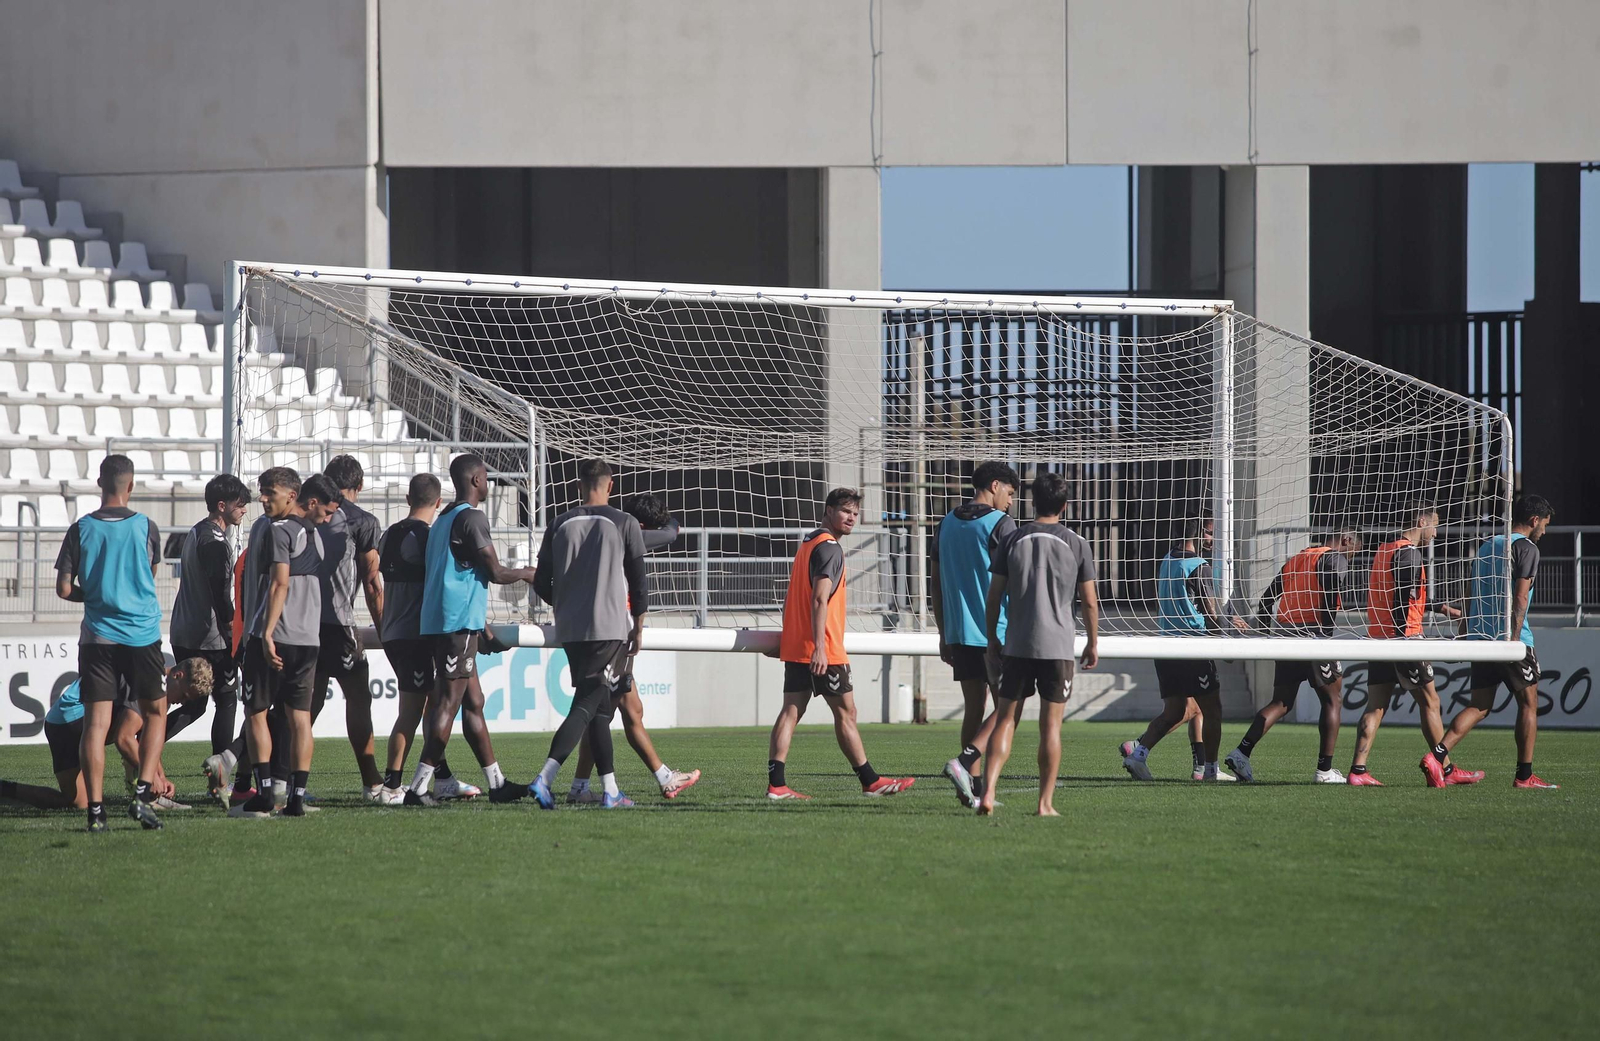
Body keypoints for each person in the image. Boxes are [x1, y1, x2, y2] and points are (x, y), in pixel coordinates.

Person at [765, 487, 914, 801]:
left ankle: (777, 785)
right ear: (828, 510)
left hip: (799, 647)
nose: (852, 518)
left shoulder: (809, 542)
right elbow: (819, 599)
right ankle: (870, 780)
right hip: (824, 649)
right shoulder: (830, 547)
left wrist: (791, 638)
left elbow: (795, 598)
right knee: (846, 712)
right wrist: (819, 646)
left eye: (856, 513)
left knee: (791, 710)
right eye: (846, 511)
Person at [406, 454, 537, 806]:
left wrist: (482, 624)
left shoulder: (443, 517)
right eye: (486, 477)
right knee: (447, 705)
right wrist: (527, 572)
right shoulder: (472, 517)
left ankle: (497, 784)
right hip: (455, 624)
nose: (489, 483)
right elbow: (494, 571)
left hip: (444, 621)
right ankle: (417, 789)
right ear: (477, 480)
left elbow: (455, 573)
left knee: (473, 702)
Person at [54, 454, 168, 832]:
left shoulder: (80, 528)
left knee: (96, 725)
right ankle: (141, 795)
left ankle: (97, 812)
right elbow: (149, 577)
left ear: (100, 483)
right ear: (131, 486)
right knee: (155, 713)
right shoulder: (146, 527)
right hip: (141, 635)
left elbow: (65, 589)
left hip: (98, 637)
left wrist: (97, 594)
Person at [527, 459, 649, 809]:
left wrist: (564, 601)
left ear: (579, 486)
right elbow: (639, 581)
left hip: (571, 629)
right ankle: (545, 777)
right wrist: (638, 625)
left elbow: (540, 582)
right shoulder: (624, 522)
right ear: (610, 486)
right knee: (587, 704)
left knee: (598, 707)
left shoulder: (559, 523)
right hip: (609, 629)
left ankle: (609, 790)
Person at [976, 471, 1098, 816]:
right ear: (1064, 505)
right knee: (1051, 726)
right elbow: (1089, 601)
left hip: (1016, 643)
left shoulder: (1013, 539)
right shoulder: (1076, 543)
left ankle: (988, 793)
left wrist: (991, 639)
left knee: (1005, 721)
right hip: (1057, 647)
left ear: (1032, 502)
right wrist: (1092, 642)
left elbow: (994, 595)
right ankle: (1045, 804)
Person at [567, 493, 701, 803]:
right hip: (617, 629)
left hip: (598, 626)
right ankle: (662, 779)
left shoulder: (599, 531)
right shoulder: (629, 533)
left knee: (624, 708)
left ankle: (582, 787)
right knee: (604, 711)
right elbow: (671, 532)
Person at [1430, 494, 1558, 789]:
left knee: (1479, 705)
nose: (1545, 532)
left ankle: (1436, 757)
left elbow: (1470, 593)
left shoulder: (1488, 545)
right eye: (1545, 525)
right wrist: (1513, 640)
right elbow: (1521, 596)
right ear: (1534, 520)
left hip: (1481, 638)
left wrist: (1465, 632)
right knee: (1528, 704)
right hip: (1510, 640)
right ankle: (1524, 776)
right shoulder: (1526, 547)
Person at [231, 472, 338, 818]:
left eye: (269, 493)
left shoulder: (279, 532)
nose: (263, 499)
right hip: (309, 640)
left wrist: (265, 633)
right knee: (299, 719)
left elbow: (280, 586)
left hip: (275, 637)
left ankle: (263, 795)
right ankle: (296, 799)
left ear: (293, 496)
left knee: (257, 713)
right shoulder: (317, 538)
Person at [1347, 503, 1475, 786]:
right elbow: (1402, 600)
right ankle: (1446, 768)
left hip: (1378, 639)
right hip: (1402, 640)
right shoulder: (1408, 553)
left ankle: (1358, 771)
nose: (1437, 533)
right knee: (1431, 701)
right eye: (1436, 524)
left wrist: (1439, 607)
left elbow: (1402, 593)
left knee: (1375, 707)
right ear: (1421, 520)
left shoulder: (1384, 550)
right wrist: (1406, 641)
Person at [1222, 528, 1362, 784]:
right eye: (1354, 552)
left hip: (1285, 634)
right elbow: (1331, 586)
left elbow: (1267, 600)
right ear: (1347, 540)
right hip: (1312, 634)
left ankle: (1241, 752)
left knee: (1282, 703)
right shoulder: (1334, 558)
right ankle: (1324, 771)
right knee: (1333, 701)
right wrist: (1325, 635)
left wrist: (1266, 634)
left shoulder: (1297, 558)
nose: (1351, 559)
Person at [374, 474, 479, 804]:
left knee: (434, 708)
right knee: (412, 711)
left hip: (394, 630)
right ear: (437, 503)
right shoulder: (430, 538)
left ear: (407, 499)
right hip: (414, 634)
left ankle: (444, 778)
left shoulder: (387, 534)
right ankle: (392, 787)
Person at [1121, 518, 1247, 782]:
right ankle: (1210, 770)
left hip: (1166, 647)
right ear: (1200, 534)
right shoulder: (1199, 567)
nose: (1213, 540)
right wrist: (1226, 637)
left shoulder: (1167, 560)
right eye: (1210, 533)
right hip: (1192, 648)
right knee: (1212, 710)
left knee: (1176, 712)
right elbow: (1210, 613)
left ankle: (1138, 754)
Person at [1, 661, 211, 812]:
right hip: (70, 722)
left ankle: (5, 789)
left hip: (59, 720)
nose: (182, 702)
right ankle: (138, 794)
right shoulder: (151, 685)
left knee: (76, 802)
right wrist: (151, 777)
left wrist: (161, 777)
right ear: (178, 675)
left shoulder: (160, 681)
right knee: (126, 733)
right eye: (184, 695)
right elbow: (124, 738)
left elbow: (146, 738)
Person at [930, 460, 1018, 808]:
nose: (1010, 502)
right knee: (1009, 708)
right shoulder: (1001, 523)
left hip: (958, 632)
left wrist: (942, 631)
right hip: (995, 632)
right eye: (1009, 493)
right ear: (994, 486)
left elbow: (935, 583)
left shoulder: (946, 523)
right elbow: (1013, 578)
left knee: (974, 708)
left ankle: (973, 786)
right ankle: (968, 767)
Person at [314, 455, 388, 799]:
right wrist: (385, 630)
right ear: (358, 486)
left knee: (302, 705)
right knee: (358, 697)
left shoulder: (305, 515)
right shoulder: (362, 521)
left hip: (299, 626)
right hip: (338, 625)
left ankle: (274, 779)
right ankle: (373, 783)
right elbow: (372, 584)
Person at [165, 474, 250, 759]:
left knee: (194, 704)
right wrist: (232, 630)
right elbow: (220, 596)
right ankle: (221, 769)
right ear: (222, 505)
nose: (244, 510)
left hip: (183, 630)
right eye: (240, 504)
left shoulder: (196, 531)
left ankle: (143, 743)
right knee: (226, 700)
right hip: (208, 638)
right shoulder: (215, 542)